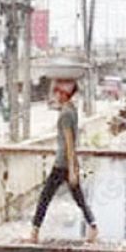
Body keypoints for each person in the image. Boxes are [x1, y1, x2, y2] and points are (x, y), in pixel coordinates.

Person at [30, 78, 98, 243]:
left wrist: (72, 170)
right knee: (79, 198)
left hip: (62, 164)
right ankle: (93, 226)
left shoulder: (66, 114)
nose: (56, 95)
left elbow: (69, 142)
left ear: (63, 94)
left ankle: (34, 232)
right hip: (68, 163)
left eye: (58, 92)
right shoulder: (72, 110)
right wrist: (74, 166)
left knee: (45, 197)